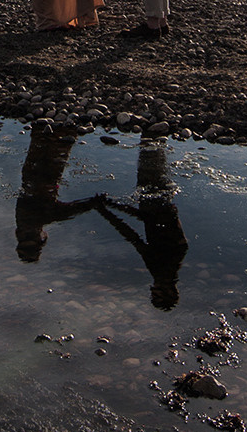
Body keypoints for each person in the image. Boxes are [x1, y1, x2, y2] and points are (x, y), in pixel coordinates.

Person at [96, 136, 189, 308]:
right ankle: (152, 134)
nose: (153, 288)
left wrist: (110, 206)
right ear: (170, 291)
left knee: (155, 157)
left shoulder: (174, 261)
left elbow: (144, 221)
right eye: (157, 292)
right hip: (153, 203)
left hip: (162, 202)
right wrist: (106, 210)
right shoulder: (159, 266)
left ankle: (155, 136)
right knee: (149, 156)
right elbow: (132, 235)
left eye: (153, 292)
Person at [13, 127, 105, 262]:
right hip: (31, 172)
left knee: (62, 141)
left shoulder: (35, 220)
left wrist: (93, 203)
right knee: (40, 140)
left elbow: (69, 210)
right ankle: (47, 126)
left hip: (48, 174)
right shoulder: (22, 220)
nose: (28, 233)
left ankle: (64, 127)